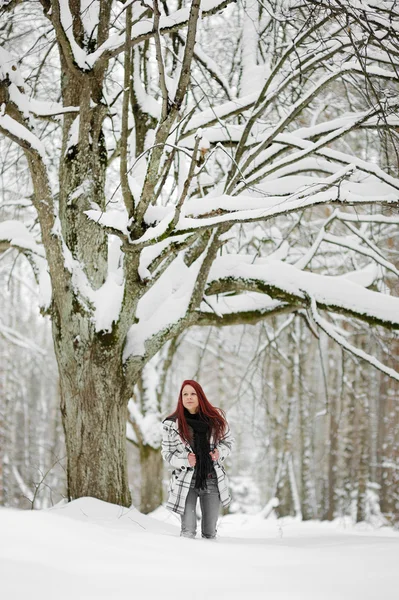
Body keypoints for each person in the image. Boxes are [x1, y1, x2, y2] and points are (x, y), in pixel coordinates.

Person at [161, 379, 234, 539]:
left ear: (200, 396)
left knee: (209, 532)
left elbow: (228, 443)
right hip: (186, 481)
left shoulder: (216, 419)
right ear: (181, 398)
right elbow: (167, 453)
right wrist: (185, 460)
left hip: (211, 479)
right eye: (185, 394)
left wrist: (219, 452)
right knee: (187, 531)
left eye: (193, 393)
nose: (189, 397)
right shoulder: (171, 424)